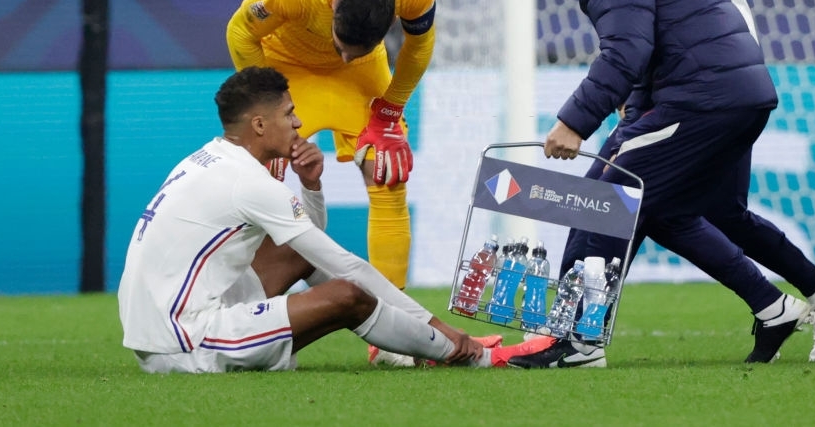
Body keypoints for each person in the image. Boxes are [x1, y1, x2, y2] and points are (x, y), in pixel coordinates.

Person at [522, 0, 815, 365]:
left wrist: (577, 122)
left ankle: (577, 339)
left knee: (607, 194)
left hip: (701, 89)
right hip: (736, 79)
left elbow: (629, 48)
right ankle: (792, 303)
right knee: (692, 210)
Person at [117, 67, 542, 373]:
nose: (299, 122)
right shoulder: (248, 182)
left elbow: (306, 247)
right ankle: (464, 354)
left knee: (306, 260)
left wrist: (312, 186)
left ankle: (410, 344)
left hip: (158, 330)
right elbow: (346, 268)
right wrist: (443, 329)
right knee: (347, 296)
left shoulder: (209, 159)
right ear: (260, 124)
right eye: (288, 113)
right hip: (187, 343)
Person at [226, 0, 435, 294]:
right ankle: (243, 312)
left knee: (388, 173)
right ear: (334, 5)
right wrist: (269, 107)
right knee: (256, 181)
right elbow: (240, 31)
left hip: (362, 79)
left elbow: (421, 44)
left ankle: (395, 331)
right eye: (341, 47)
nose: (345, 57)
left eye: (356, 51)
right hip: (286, 67)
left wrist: (390, 110)